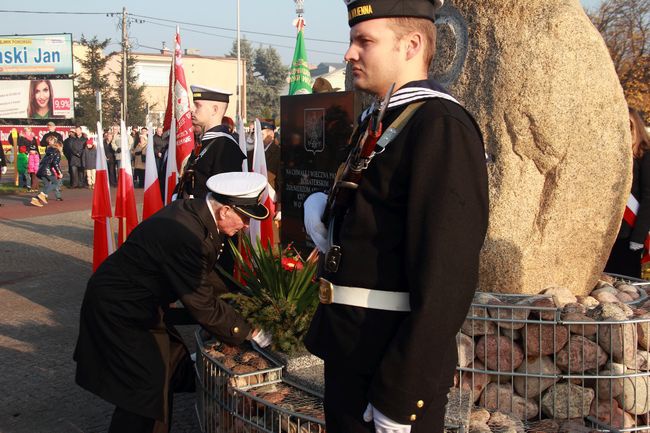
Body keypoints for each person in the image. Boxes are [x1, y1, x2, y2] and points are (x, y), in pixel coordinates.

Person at [302, 1, 489, 432]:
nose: (349, 53)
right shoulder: (382, 118)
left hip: (390, 362)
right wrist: (329, 218)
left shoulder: (439, 125)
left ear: (411, 45)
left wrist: (403, 394)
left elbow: (447, 276)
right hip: (353, 349)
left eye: (364, 41)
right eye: (353, 40)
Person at [73, 171, 273, 433]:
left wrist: (244, 303)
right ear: (225, 211)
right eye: (244, 217)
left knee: (172, 369)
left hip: (139, 306)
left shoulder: (196, 215)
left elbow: (206, 276)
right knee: (146, 390)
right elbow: (201, 301)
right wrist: (248, 331)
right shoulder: (187, 233)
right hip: (121, 310)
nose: (246, 225)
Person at [177, 85, 246, 199]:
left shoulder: (224, 145)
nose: (192, 110)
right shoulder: (208, 141)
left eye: (197, 105)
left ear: (214, 110)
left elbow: (224, 195)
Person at [605, 107, 650, 278]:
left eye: (629, 125)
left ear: (637, 127)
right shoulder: (616, 157)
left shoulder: (645, 156)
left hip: (630, 233)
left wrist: (638, 238)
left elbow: (648, 199)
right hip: (611, 231)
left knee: (627, 285)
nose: (626, 130)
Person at [30, 137, 63, 207]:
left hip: (41, 170)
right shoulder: (57, 152)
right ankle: (43, 195)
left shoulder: (48, 151)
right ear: (59, 146)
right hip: (47, 170)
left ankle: (35, 199)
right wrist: (59, 173)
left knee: (47, 185)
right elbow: (55, 163)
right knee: (55, 183)